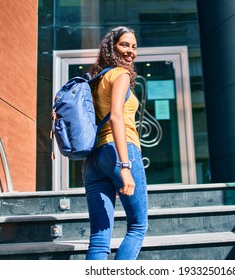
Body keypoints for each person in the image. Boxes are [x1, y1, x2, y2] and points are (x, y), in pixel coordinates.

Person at [82, 26, 148, 260]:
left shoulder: (96, 79)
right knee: (138, 227)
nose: (130, 51)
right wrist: (125, 167)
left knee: (99, 239)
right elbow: (116, 116)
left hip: (94, 160)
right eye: (124, 45)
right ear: (112, 47)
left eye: (134, 46)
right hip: (120, 151)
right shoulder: (120, 74)